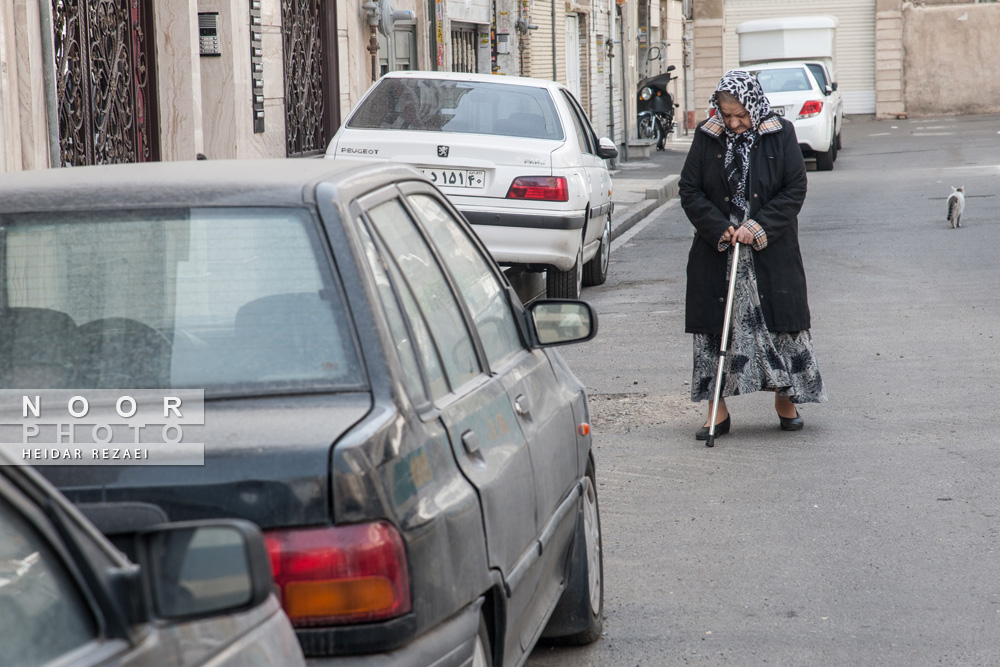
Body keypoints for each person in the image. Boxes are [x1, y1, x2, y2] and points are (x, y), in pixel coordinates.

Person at [679, 69, 826, 441]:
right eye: (727, 115)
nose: (734, 122)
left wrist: (758, 226)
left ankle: (785, 397)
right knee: (715, 331)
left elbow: (794, 189)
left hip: (769, 248)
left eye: (741, 114)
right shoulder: (707, 136)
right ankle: (718, 409)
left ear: (755, 105)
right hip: (720, 251)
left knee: (781, 326)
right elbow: (690, 189)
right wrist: (718, 226)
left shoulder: (781, 133)